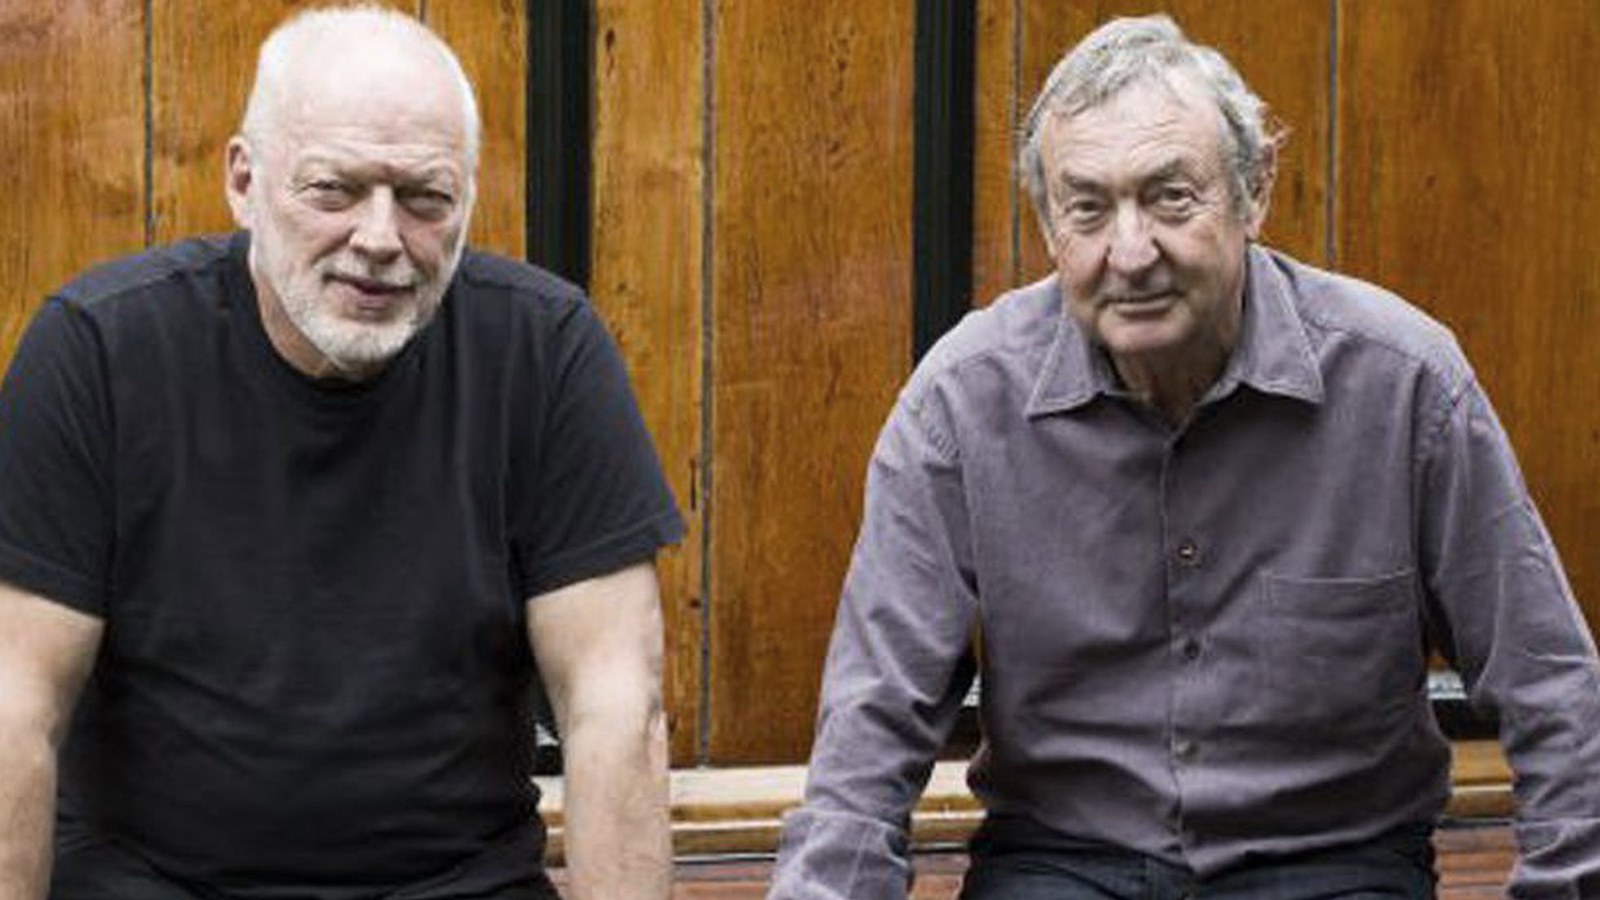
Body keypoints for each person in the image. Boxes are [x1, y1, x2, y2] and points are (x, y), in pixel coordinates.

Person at [769, 13, 1600, 900]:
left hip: (1329, 862)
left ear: (1254, 190)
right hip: (1066, 862)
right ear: (1048, 222)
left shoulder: (1405, 385)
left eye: (1170, 197)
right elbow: (874, 721)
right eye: (1087, 208)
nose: (1130, 254)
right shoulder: (962, 403)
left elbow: (1550, 687)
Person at [0, 6, 681, 900]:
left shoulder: (544, 351)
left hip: (455, 887)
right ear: (244, 181)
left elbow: (615, 703)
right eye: (334, 190)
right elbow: (14, 705)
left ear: (469, 198)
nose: (380, 238)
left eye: (426, 198)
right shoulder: (100, 350)